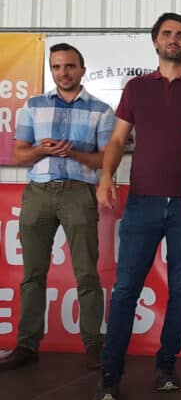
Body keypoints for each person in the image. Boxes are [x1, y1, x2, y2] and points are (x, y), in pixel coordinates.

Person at [93, 12, 181, 400]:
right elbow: (117, 139)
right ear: (156, 41)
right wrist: (107, 176)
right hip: (141, 203)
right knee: (126, 288)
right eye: (167, 33)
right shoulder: (136, 88)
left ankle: (166, 367)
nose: (173, 39)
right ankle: (111, 374)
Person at [0, 43, 114, 373]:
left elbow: (106, 160)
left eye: (69, 66)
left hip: (79, 193)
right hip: (38, 193)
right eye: (56, 67)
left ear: (82, 69)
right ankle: (27, 345)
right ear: (51, 70)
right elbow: (18, 154)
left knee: (87, 273)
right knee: (32, 274)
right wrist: (42, 150)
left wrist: (72, 153)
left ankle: (93, 345)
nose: (63, 73)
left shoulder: (101, 110)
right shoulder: (33, 106)